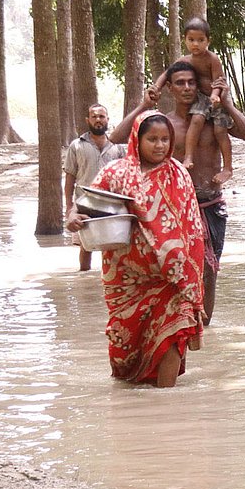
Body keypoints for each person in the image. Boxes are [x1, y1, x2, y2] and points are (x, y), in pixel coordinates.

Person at [65, 111, 205, 388]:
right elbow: (86, 205)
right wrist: (73, 217)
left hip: (172, 277)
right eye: (152, 139)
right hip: (126, 278)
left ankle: (166, 400)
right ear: (136, 140)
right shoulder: (115, 173)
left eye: (165, 139)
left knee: (173, 331)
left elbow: (193, 228)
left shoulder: (178, 175)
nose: (160, 145)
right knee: (126, 347)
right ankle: (135, 398)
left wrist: (192, 278)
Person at [113, 61, 245, 325]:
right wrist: (145, 105)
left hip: (210, 204)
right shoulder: (161, 125)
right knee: (171, 269)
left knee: (209, 269)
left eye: (192, 82)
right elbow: (117, 137)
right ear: (169, 87)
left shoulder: (214, 118)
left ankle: (204, 328)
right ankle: (176, 326)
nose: (187, 88)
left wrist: (225, 102)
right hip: (173, 208)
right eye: (180, 83)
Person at [150, 17, 233, 178]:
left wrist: (216, 96)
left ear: (208, 41)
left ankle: (228, 168)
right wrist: (156, 87)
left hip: (215, 100)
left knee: (220, 131)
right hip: (201, 100)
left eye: (201, 40)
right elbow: (166, 75)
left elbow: (218, 81)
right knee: (196, 121)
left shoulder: (213, 59)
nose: (196, 44)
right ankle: (189, 156)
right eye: (192, 40)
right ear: (185, 40)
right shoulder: (184, 60)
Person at [63, 103, 124, 271]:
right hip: (84, 204)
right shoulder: (76, 145)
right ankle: (84, 278)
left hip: (112, 204)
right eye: (94, 117)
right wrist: (69, 207)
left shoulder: (117, 146)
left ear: (107, 120)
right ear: (87, 120)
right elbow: (70, 178)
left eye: (101, 117)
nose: (98, 120)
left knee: (114, 245)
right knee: (86, 246)